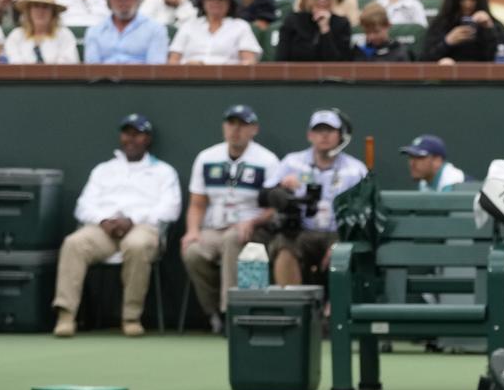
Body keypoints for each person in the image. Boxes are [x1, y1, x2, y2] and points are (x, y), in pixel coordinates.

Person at [49, 111, 180, 339]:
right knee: (74, 243)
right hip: (104, 230)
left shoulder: (163, 171)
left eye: (137, 135)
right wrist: (103, 220)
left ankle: (131, 317)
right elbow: (83, 206)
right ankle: (66, 315)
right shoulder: (103, 170)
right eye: (126, 134)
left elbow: (171, 208)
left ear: (147, 139)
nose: (131, 140)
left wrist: (133, 220)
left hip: (143, 228)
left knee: (137, 245)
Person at [181, 105, 281, 333]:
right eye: (231, 124)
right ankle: (213, 313)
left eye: (242, 125)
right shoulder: (206, 157)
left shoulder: (267, 160)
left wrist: (253, 222)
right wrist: (192, 231)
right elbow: (197, 204)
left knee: (232, 240)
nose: (235, 130)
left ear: (253, 129)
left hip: (253, 229)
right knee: (192, 252)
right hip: (214, 227)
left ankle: (232, 313)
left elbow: (274, 208)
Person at [267, 109, 368, 286]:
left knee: (344, 253)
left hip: (338, 233)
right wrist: (281, 188)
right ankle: (293, 305)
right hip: (302, 231)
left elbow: (364, 212)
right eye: (318, 130)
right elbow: (265, 195)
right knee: (283, 245)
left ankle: (336, 307)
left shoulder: (356, 169)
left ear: (340, 136)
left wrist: (342, 242)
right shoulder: (292, 162)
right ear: (309, 135)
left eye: (329, 130)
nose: (324, 136)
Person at [167, 0, 262, 64]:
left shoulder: (241, 27)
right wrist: (188, 66)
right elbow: (173, 62)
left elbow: (248, 62)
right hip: (188, 79)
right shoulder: (188, 26)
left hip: (229, 80)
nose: (216, 0)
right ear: (202, 1)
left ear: (230, 2)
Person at [82, 0, 168, 64]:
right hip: (104, 77)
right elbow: (91, 70)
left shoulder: (155, 29)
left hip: (142, 77)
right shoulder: (94, 31)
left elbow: (156, 70)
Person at [423, 0, 504, 63]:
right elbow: (425, 58)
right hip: (450, 75)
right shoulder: (442, 23)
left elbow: (502, 56)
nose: (468, 5)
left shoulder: (491, 24)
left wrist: (489, 29)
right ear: (455, 0)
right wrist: (447, 42)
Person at [276, 0, 354, 61]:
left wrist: (325, 30)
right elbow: (281, 59)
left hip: (332, 74)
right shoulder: (293, 21)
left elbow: (340, 63)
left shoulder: (342, 24)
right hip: (297, 73)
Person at [3, 0, 79, 63]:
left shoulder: (64, 35)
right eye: (36, 6)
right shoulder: (16, 36)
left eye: (45, 7)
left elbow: (68, 66)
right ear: (29, 11)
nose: (40, 11)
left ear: (53, 12)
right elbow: (14, 65)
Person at [401, 133, 466, 191]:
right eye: (411, 157)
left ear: (437, 160)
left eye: (420, 157)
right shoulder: (424, 181)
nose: (412, 163)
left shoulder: (453, 182)